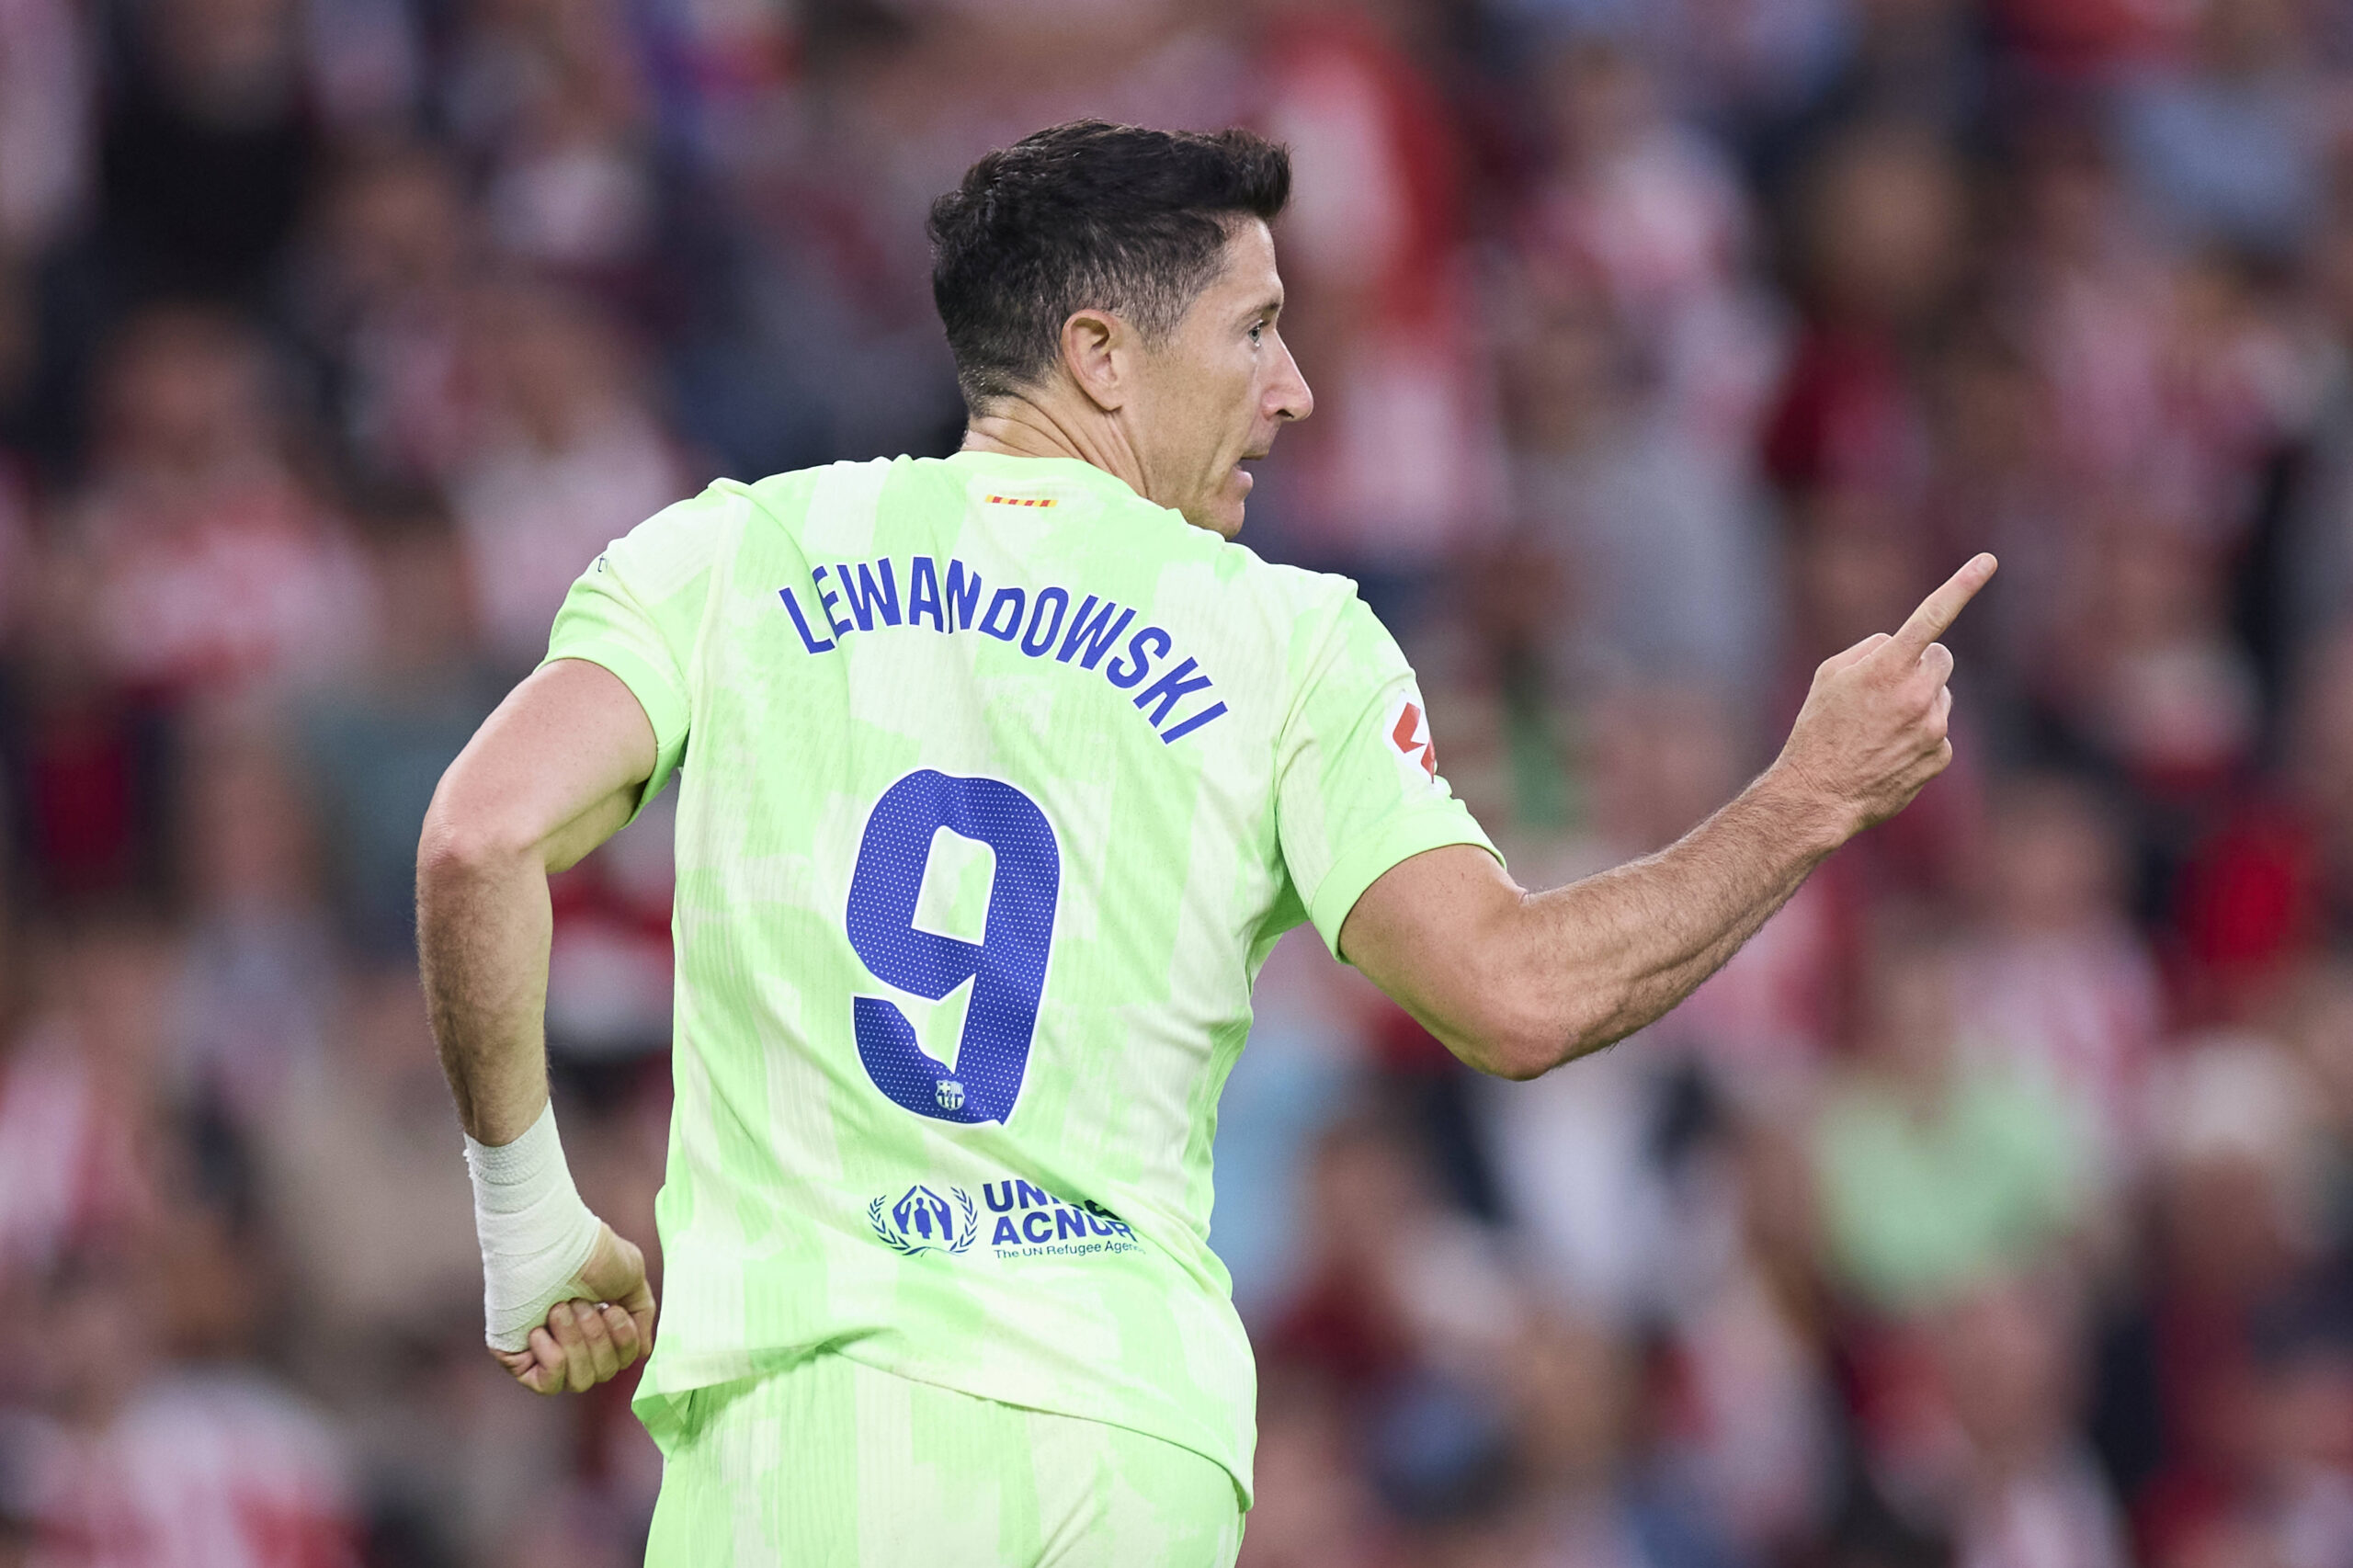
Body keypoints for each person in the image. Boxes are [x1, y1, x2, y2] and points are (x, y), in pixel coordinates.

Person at [415, 120, 1994, 1567]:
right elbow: (1516, 995)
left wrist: (528, 1217)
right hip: (1131, 1451)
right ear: (1101, 356)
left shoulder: (731, 557)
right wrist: (1807, 796)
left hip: (810, 1444)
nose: (1294, 388)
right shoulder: (1288, 641)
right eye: (1253, 330)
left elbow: (480, 839)